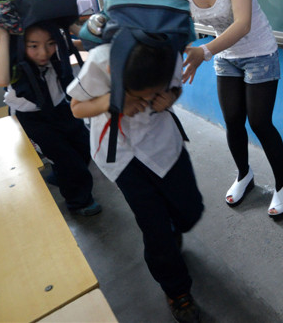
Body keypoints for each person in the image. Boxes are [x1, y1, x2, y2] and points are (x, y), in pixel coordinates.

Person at [143, 0, 283, 220]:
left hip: (259, 53)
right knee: (233, 120)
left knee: (259, 121)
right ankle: (245, 175)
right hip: (225, 56)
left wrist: (203, 52)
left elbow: (242, 25)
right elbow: (170, 27)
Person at [67, 36, 204, 323]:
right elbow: (77, 107)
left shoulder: (170, 53)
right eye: (140, 95)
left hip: (163, 144)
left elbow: (176, 86)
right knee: (155, 230)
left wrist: (170, 97)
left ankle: (170, 236)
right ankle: (177, 291)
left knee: (190, 211)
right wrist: (116, 101)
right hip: (122, 155)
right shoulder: (102, 60)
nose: (145, 102)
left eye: (150, 94)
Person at [0, 11, 101, 217]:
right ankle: (79, 201)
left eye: (50, 43)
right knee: (68, 160)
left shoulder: (57, 50)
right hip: (32, 118)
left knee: (84, 146)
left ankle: (60, 175)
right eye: (33, 46)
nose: (43, 52)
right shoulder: (13, 60)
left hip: (61, 108)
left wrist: (67, 23)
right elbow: (0, 80)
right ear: (21, 45)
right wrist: (2, 36)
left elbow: (93, 44)